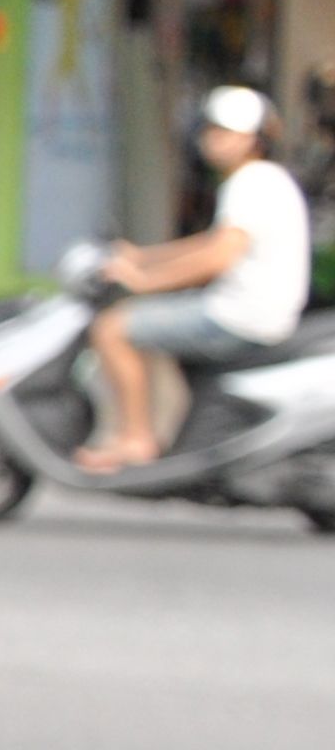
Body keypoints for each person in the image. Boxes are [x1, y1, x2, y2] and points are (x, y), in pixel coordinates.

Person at [80, 83, 312, 470]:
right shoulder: (263, 180)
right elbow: (212, 242)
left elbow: (217, 258)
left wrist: (143, 281)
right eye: (211, 131)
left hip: (238, 317)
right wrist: (143, 257)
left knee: (112, 328)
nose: (214, 140)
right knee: (146, 323)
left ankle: (135, 439)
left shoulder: (250, 183)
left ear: (253, 139)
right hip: (252, 312)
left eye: (226, 133)